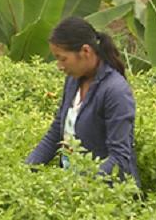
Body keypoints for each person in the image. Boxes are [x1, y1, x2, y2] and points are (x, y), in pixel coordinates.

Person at [26, 16, 140, 187]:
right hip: (73, 190)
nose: (59, 66)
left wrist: (83, 185)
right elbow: (58, 130)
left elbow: (119, 158)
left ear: (85, 52)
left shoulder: (115, 91)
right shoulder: (74, 80)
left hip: (106, 196)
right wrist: (27, 168)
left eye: (63, 58)